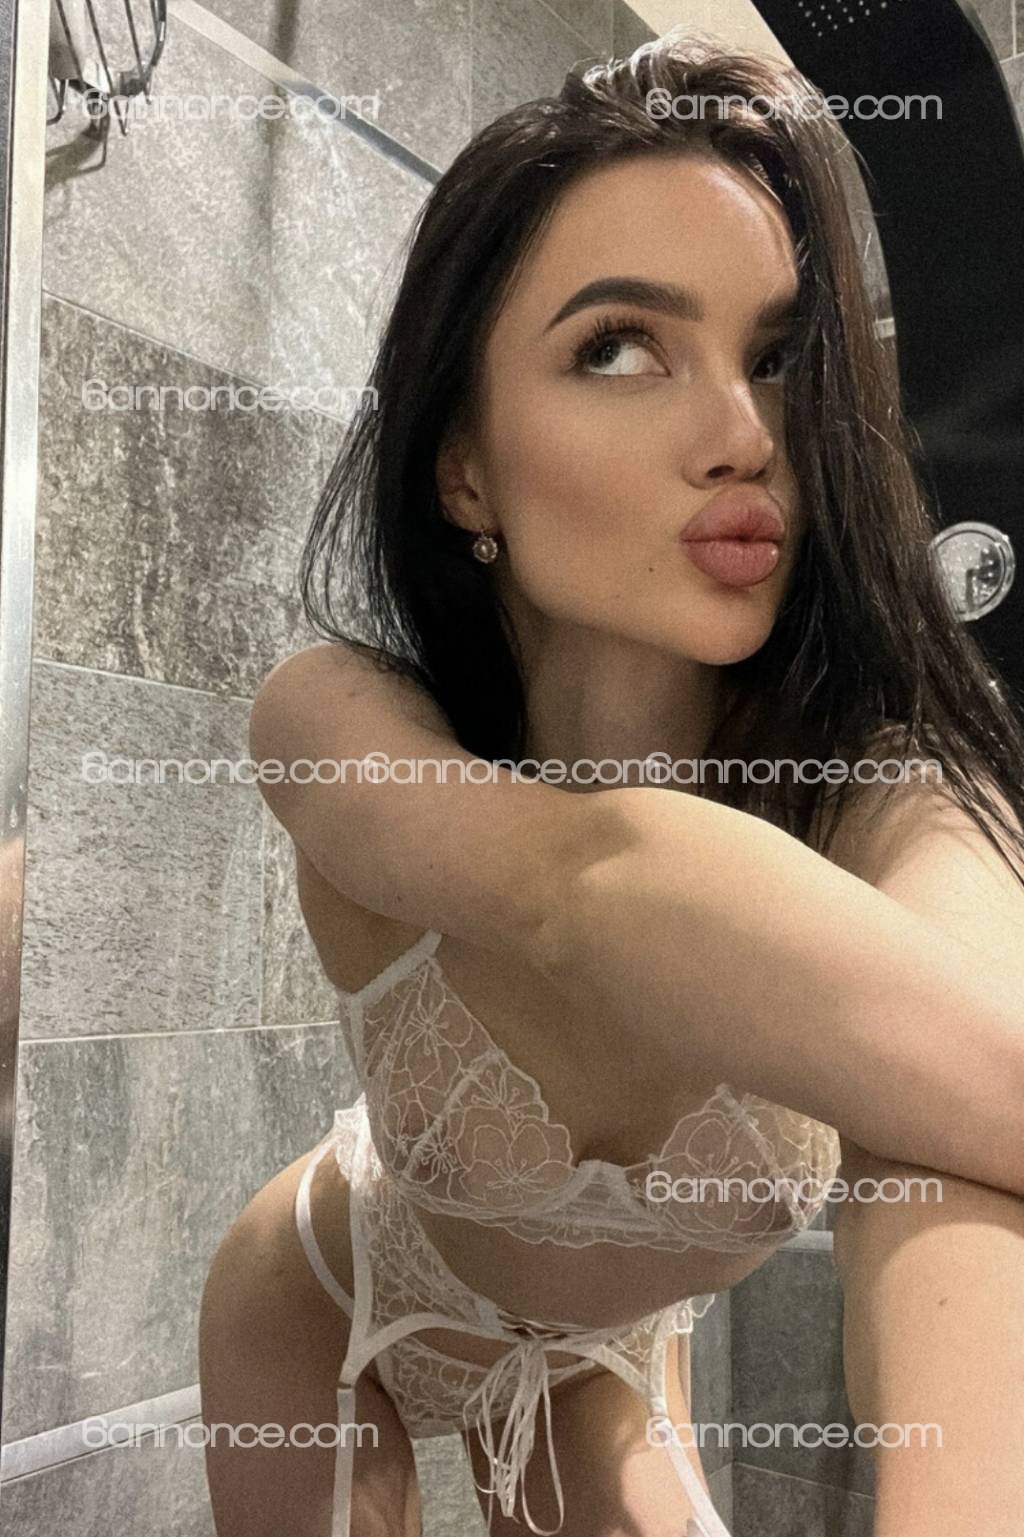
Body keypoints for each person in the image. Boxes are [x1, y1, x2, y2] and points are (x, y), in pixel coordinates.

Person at [198, 30, 1024, 1537]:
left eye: (777, 357)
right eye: (621, 348)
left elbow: (972, 1149)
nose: (744, 435)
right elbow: (575, 885)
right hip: (328, 1299)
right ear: (464, 468)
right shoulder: (339, 717)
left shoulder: (890, 807)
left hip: (604, 1361)